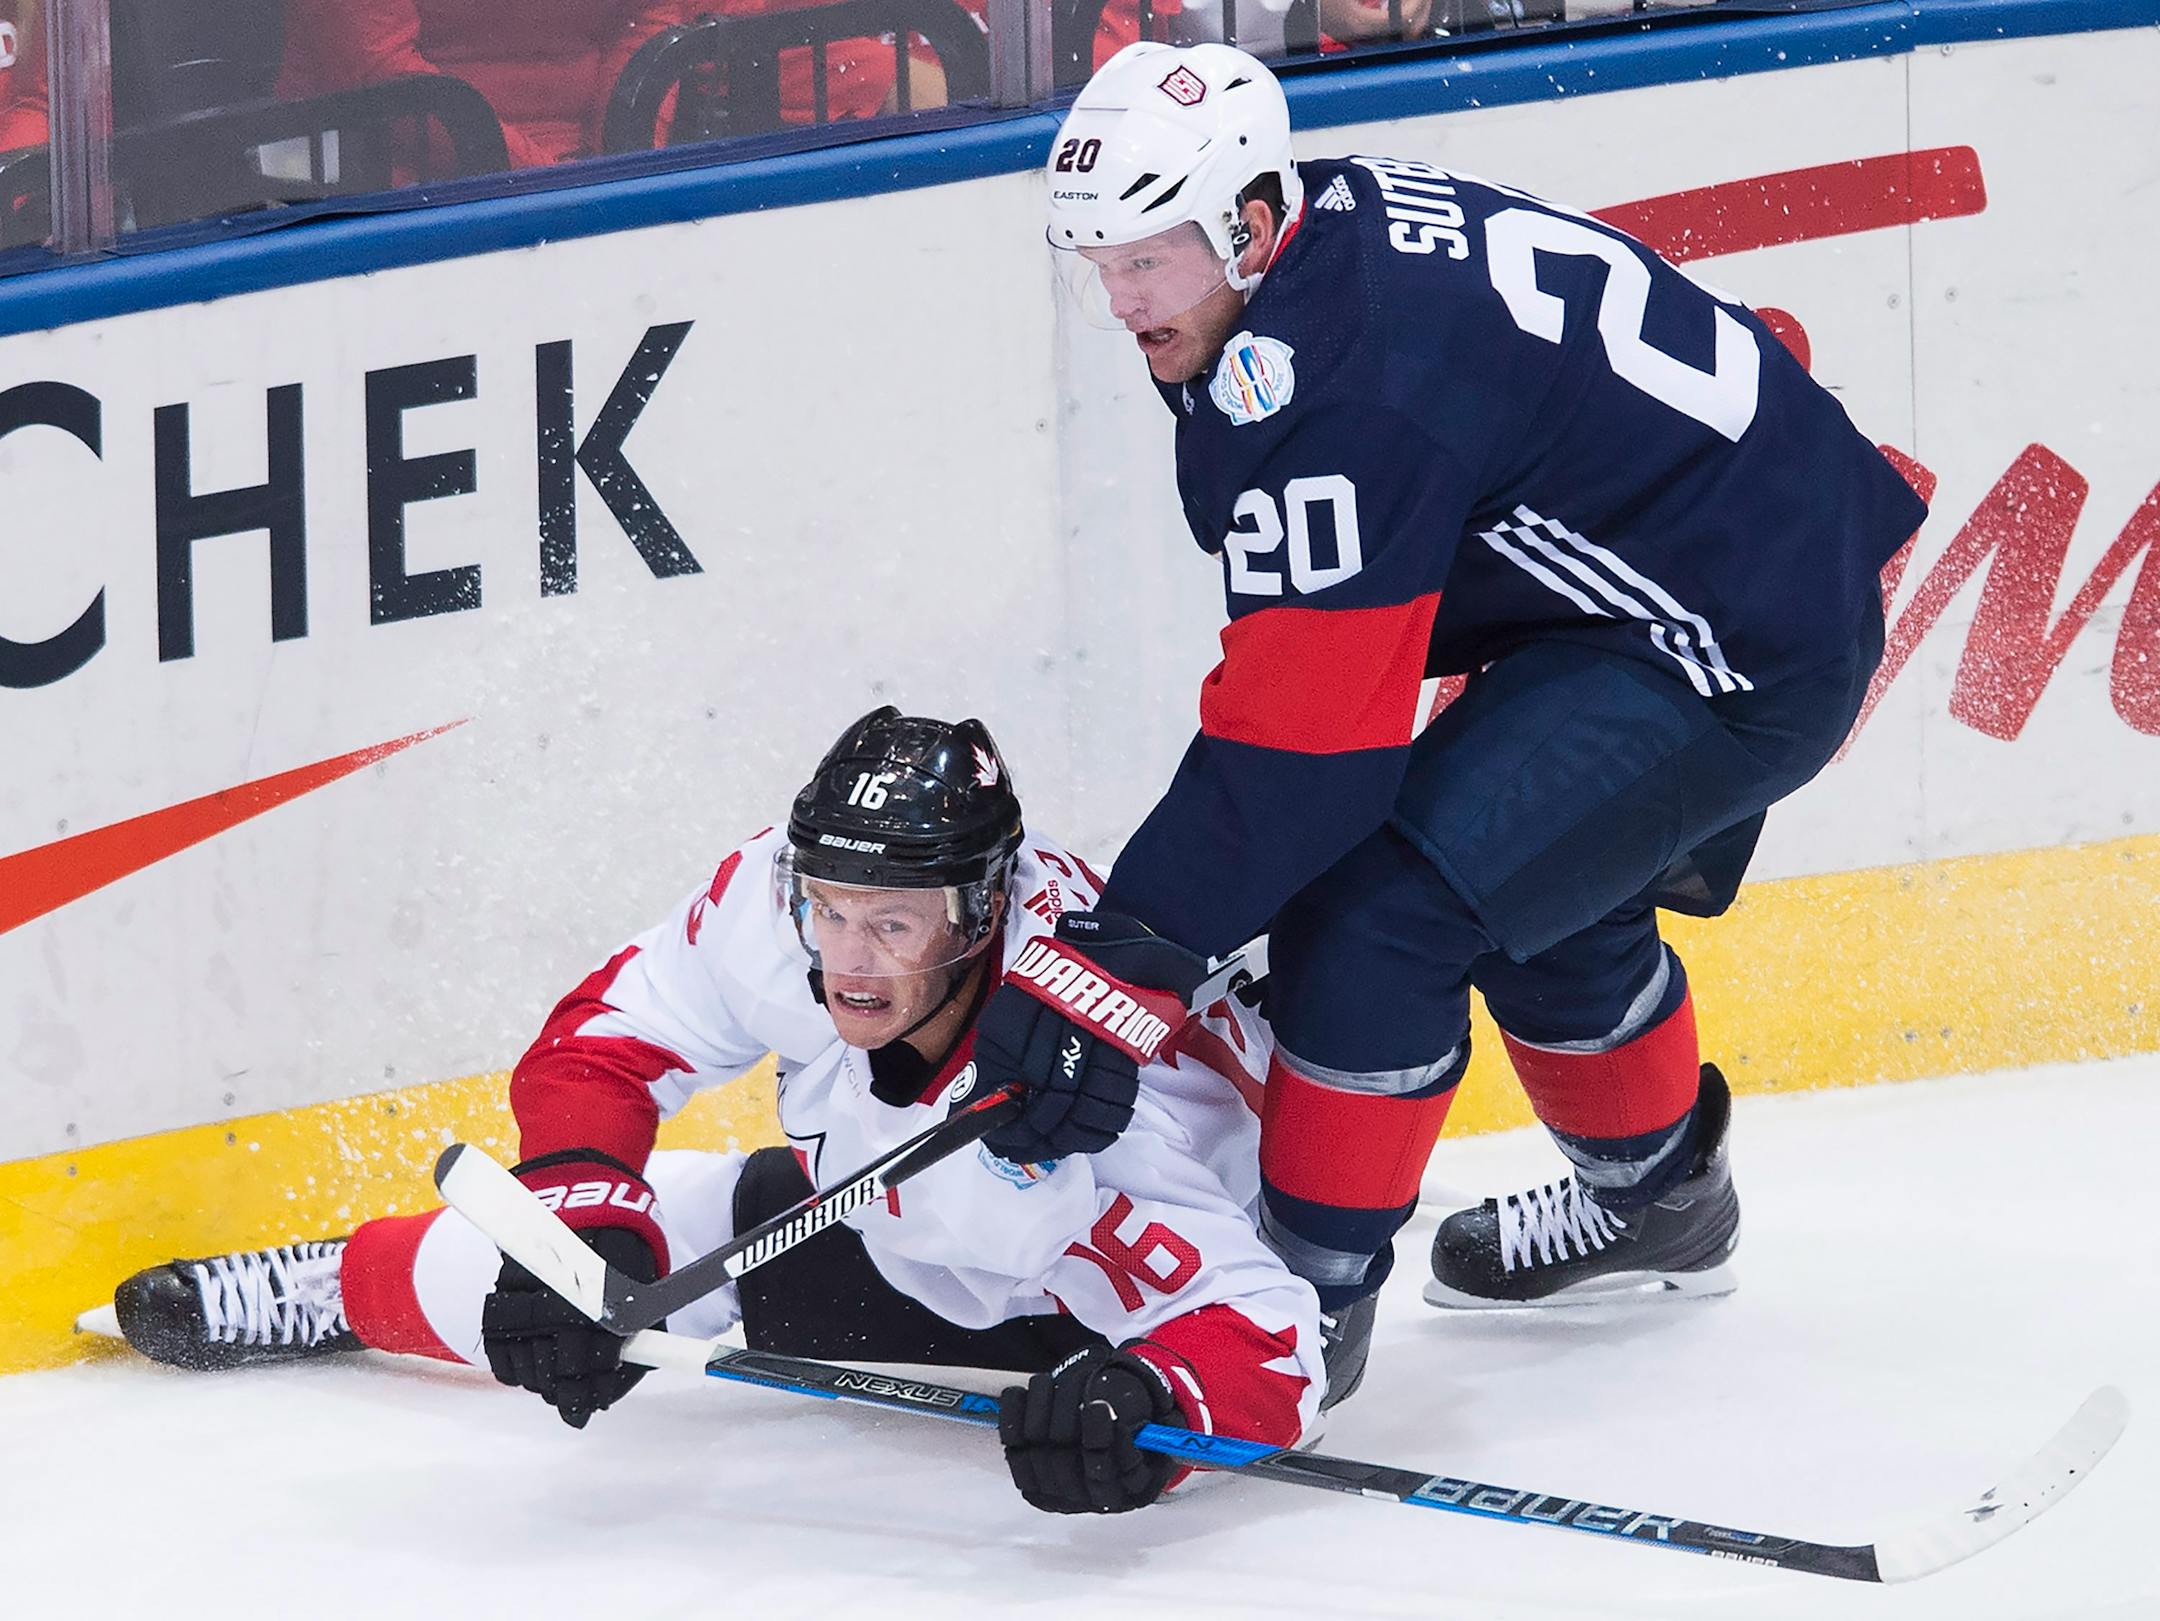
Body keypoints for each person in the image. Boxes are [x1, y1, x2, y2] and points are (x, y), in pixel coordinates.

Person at [975, 44, 1925, 1369]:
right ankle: (1661, 1202)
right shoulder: (1329, 234)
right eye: (1101, 264)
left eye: (1149, 256)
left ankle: (1294, 1315)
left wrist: (1123, 956)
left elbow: (1308, 755)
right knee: (1538, 887)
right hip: (1705, 563)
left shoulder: (1340, 387)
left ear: (1249, 224)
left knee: (1376, 916)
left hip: (1728, 635)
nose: (1122, 296)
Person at [109, 707, 1326, 1516]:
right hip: (878, 1183)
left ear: (980, 913)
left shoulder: (1077, 1108)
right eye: (830, 907)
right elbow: (603, 1042)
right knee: (577, 1263)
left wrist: (1151, 1405)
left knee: (817, 1242)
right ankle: (342, 1284)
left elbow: (1271, 1323)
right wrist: (589, 1220)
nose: (848, 956)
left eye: (894, 924)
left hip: (1052, 1292)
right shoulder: (776, 900)